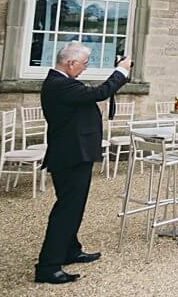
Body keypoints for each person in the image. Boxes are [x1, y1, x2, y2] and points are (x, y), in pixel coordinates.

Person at [35, 43, 131, 284]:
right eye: (84, 63)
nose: (85, 68)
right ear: (70, 63)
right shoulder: (60, 85)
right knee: (67, 210)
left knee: (73, 206)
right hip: (71, 156)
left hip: (74, 153)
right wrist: (121, 72)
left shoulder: (62, 82)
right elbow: (98, 93)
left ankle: (70, 249)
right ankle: (48, 266)